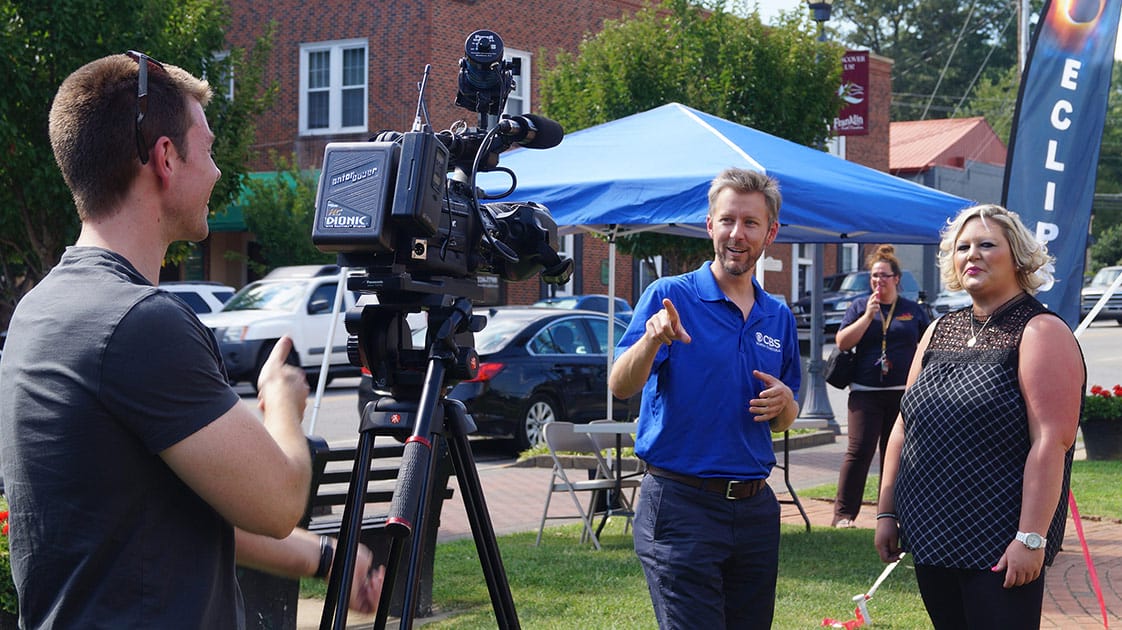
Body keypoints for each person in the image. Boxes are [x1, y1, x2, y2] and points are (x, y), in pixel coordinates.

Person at [0, 52, 381, 627]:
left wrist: (325, 558)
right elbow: (278, 501)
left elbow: (176, 506)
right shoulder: (139, 324)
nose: (219, 172)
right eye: (208, 150)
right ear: (166, 158)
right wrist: (280, 401)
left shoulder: (41, 311)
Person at [608, 167, 801, 629]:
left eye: (751, 223)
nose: (738, 233)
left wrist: (785, 405)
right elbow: (620, 385)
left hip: (755, 509)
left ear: (770, 232)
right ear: (709, 225)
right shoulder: (669, 296)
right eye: (728, 220)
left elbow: (786, 412)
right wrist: (652, 340)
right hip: (681, 505)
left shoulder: (778, 316)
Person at [874, 204, 1083, 629]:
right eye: (962, 247)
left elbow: (1051, 441)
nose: (972, 255)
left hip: (999, 544)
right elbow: (903, 426)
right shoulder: (939, 329)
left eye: (987, 244)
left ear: (1019, 257)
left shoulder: (1041, 331)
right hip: (932, 535)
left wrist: (1030, 537)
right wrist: (886, 511)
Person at [831, 245, 930, 528]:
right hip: (865, 392)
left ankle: (892, 515)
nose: (878, 281)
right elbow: (842, 342)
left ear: (896, 278)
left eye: (884, 276)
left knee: (895, 453)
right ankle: (844, 515)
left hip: (902, 395)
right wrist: (867, 316)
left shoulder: (912, 310)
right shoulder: (859, 306)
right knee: (859, 451)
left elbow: (927, 347)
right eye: (874, 277)